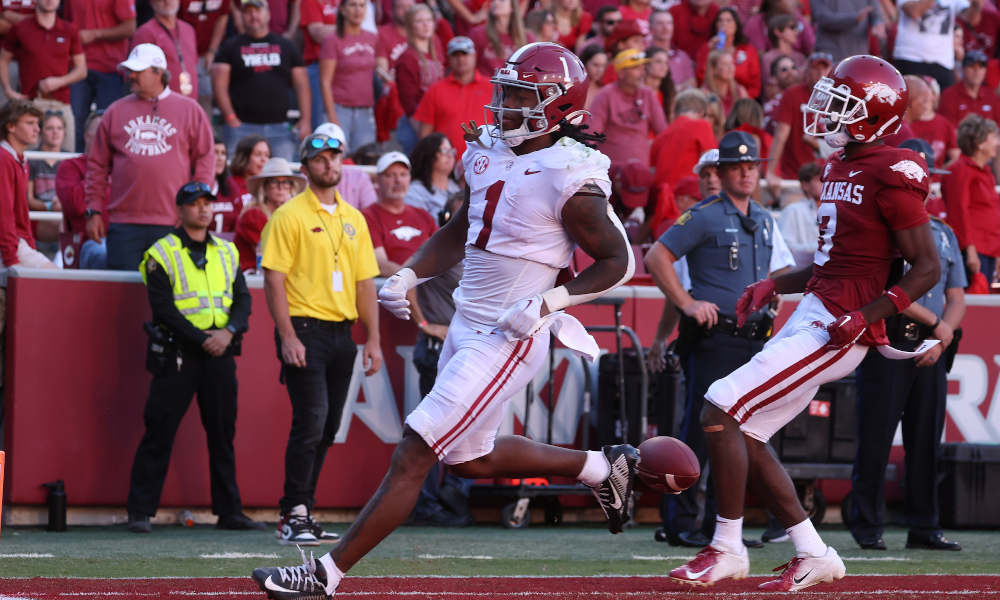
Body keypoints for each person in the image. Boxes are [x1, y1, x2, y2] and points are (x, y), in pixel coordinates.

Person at [251, 43, 639, 598]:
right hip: (465, 323)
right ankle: (602, 468)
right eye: (504, 92)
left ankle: (323, 576)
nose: (503, 105)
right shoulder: (488, 155)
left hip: (510, 335)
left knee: (415, 449)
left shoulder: (570, 175)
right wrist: (408, 275)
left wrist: (551, 303)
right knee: (468, 459)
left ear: (556, 107)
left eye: (519, 96)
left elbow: (618, 262)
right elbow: (462, 228)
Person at [667, 55, 942, 591]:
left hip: (842, 324)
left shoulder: (894, 169)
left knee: (721, 403)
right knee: (746, 428)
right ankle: (814, 552)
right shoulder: (842, 164)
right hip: (817, 307)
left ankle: (727, 546)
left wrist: (865, 317)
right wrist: (775, 283)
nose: (827, 112)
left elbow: (926, 267)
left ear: (876, 114)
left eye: (842, 103)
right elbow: (834, 262)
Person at [644, 131, 794, 550]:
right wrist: (688, 303)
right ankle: (681, 521)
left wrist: (772, 295)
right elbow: (656, 257)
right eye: (737, 167)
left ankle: (722, 522)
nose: (746, 173)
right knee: (700, 430)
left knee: (745, 434)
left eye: (751, 167)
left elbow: (775, 273)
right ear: (723, 171)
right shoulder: (704, 215)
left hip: (753, 339)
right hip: (715, 339)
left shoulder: (764, 218)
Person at [261, 131, 383, 546]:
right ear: (305, 168)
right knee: (311, 420)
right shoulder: (288, 215)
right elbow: (273, 280)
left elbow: (366, 283)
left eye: (334, 157)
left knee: (328, 425)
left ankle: (303, 511)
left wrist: (374, 340)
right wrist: (287, 335)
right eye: (320, 159)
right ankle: (292, 512)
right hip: (306, 330)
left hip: (342, 334)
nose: (329, 164)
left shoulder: (355, 218)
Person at [126, 181, 265, 535]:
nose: (203, 209)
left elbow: (243, 300)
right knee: (159, 429)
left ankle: (229, 511)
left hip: (221, 354)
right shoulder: (162, 252)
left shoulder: (227, 250)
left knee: (223, 434)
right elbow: (163, 309)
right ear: (180, 210)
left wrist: (229, 333)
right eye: (195, 203)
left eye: (208, 203)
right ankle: (140, 511)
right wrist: (206, 339)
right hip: (178, 353)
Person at [850, 137, 965, 553]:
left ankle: (924, 525)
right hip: (890, 340)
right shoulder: (886, 227)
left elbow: (957, 295)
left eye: (928, 174)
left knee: (925, 441)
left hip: (932, 345)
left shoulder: (944, 233)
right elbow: (890, 289)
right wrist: (939, 327)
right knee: (875, 438)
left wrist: (941, 334)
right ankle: (867, 525)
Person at [84, 43, 215, 271]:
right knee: (122, 297)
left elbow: (205, 162)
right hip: (123, 224)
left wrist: (191, 209)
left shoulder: (190, 110)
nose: (131, 76)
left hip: (173, 222)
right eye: (130, 70)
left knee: (169, 298)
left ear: (158, 72)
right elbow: (97, 165)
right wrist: (93, 211)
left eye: (138, 71)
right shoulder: (114, 112)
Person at [407, 192, 474, 528]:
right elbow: (407, 279)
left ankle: (453, 488)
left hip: (466, 348)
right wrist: (423, 323)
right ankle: (428, 502)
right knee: (432, 426)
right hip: (436, 347)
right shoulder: (441, 245)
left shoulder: (479, 249)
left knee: (470, 420)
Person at [214, 0, 310, 162]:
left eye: (257, 11)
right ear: (242, 16)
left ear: (268, 15)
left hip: (279, 128)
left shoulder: (286, 46)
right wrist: (230, 118)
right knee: (237, 176)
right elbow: (219, 84)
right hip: (241, 128)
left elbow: (302, 84)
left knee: (282, 177)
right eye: (248, 12)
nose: (253, 16)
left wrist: (305, 119)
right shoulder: (230, 47)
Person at [0, 0, 85, 155]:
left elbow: (82, 69)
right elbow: (3, 59)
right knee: (29, 158)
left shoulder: (70, 29)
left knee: (66, 160)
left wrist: (60, 81)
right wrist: (8, 91)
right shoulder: (21, 27)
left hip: (61, 103)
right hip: (31, 104)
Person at [65, 0, 136, 154]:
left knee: (108, 123)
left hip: (109, 67)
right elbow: (67, 23)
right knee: (75, 122)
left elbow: (130, 27)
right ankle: (76, 169)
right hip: (78, 65)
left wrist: (96, 33)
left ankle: (107, 170)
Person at [765, 51, 832, 206]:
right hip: (796, 180)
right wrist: (771, 172)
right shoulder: (793, 94)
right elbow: (780, 135)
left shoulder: (838, 97)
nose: (821, 73)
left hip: (829, 181)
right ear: (807, 71)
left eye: (825, 68)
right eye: (816, 68)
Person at [941, 113, 1000, 285]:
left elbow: (992, 213)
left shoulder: (985, 172)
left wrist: (997, 253)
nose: (998, 143)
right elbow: (958, 212)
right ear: (979, 142)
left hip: (988, 248)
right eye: (994, 137)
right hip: (972, 251)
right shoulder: (960, 170)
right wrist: (971, 250)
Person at [412, 36, 492, 157]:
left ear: (474, 56)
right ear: (448, 59)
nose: (460, 59)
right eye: (455, 55)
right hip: (445, 163)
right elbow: (425, 136)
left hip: (485, 160)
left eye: (464, 54)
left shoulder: (492, 87)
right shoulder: (435, 90)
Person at [589, 48, 668, 171]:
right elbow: (590, 135)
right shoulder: (606, 95)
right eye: (636, 68)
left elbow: (663, 134)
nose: (642, 73)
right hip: (610, 173)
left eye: (642, 68)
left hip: (640, 173)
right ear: (621, 73)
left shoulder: (648, 94)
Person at [0, 99, 57, 269]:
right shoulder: (4, 158)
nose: (37, 129)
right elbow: (4, 212)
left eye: (38, 124)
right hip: (10, 248)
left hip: (17, 244)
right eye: (30, 123)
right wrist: (11, 258)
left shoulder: (19, 160)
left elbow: (21, 211)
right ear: (10, 126)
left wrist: (30, 245)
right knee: (59, 282)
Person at [363, 151, 437, 276]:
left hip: (429, 284)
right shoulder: (368, 216)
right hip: (398, 288)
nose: (398, 180)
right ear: (377, 180)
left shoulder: (422, 214)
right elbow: (381, 265)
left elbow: (442, 249)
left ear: (410, 179)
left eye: (403, 174)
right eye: (390, 175)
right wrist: (410, 282)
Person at [318, 0, 378, 153]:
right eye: (352, 5)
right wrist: (333, 119)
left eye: (362, 5)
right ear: (343, 10)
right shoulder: (332, 40)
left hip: (366, 111)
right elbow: (325, 81)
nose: (357, 10)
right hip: (339, 109)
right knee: (337, 157)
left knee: (364, 161)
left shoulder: (373, 38)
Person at [234, 157, 307, 271]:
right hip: (253, 278)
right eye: (274, 182)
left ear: (291, 187)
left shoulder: (293, 214)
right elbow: (271, 255)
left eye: (286, 182)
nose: (281, 187)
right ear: (264, 187)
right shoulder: (254, 215)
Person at [56, 111, 109, 269]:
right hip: (89, 243)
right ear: (87, 136)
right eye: (101, 133)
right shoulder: (70, 166)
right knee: (103, 254)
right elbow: (77, 206)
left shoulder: (123, 167)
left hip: (125, 240)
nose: (107, 139)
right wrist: (99, 167)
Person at [395, 4, 446, 154]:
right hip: (416, 125)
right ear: (410, 27)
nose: (426, 25)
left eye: (429, 20)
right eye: (419, 21)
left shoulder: (437, 53)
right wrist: (423, 133)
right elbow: (408, 101)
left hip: (436, 121)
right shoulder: (407, 58)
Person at [651, 88, 717, 192]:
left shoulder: (659, 138)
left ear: (677, 113)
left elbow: (653, 175)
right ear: (702, 113)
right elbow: (710, 166)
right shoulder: (702, 126)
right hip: (692, 198)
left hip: (663, 201)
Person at [132, 0, 200, 98]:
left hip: (189, 100)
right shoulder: (144, 33)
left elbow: (193, 63)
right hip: (160, 103)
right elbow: (139, 76)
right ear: (152, 3)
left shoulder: (188, 29)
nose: (167, 1)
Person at [893, 0, 966, 91]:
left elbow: (971, 18)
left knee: (941, 104)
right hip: (910, 57)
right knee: (911, 100)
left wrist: (977, 4)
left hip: (943, 62)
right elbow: (915, 11)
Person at [695, 8, 760, 100]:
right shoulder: (707, 47)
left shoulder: (748, 50)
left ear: (736, 24)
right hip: (714, 99)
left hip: (742, 101)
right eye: (720, 20)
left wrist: (743, 100)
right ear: (715, 25)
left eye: (729, 20)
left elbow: (755, 86)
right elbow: (701, 77)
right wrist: (710, 51)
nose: (724, 24)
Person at [179, 0, 230, 114]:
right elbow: (172, 20)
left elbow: (223, 15)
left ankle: (207, 129)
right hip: (182, 51)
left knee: (206, 93)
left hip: (207, 51)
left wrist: (212, 50)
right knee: (183, 95)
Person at [26, 111, 66, 251]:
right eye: (50, 128)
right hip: (40, 216)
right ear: (41, 133)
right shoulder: (31, 159)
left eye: (59, 128)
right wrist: (49, 207)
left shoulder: (71, 159)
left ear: (64, 133)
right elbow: (28, 199)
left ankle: (62, 263)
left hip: (64, 213)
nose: (55, 132)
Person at [905, 75, 960, 174]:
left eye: (927, 87)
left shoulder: (945, 124)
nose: (923, 89)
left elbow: (957, 158)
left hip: (935, 182)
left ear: (935, 95)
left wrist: (941, 172)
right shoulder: (907, 123)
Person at [300, 0, 338, 131]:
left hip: (342, 67)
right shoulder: (310, 1)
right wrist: (347, 28)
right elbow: (318, 34)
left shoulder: (338, 1)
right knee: (321, 125)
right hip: (318, 65)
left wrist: (333, 29)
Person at [468, 0, 533, 77]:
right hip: (486, 86)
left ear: (512, 7)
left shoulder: (527, 37)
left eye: (502, 0)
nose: (496, 2)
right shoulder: (478, 34)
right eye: (493, 0)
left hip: (514, 87)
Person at [938, 51, 1000, 128]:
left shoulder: (992, 97)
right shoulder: (949, 95)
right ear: (962, 69)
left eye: (981, 67)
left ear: (985, 71)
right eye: (972, 66)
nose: (977, 71)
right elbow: (949, 130)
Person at [777, 162, 822, 268]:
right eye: (818, 180)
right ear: (805, 185)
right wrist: (818, 249)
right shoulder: (792, 211)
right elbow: (785, 248)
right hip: (801, 274)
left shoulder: (835, 210)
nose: (824, 183)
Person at [405, 132, 460, 215]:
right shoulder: (415, 191)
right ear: (428, 154)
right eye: (444, 151)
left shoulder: (456, 188)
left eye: (451, 151)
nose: (450, 155)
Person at [812, 0, 885, 61]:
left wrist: (877, 24)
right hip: (831, 56)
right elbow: (822, 17)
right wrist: (853, 19)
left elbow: (875, 15)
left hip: (859, 56)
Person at [226, 134, 272, 230]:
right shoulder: (230, 186)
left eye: (267, 155)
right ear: (244, 157)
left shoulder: (271, 188)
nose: (263, 159)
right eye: (258, 154)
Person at [648, 10, 696, 92]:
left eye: (669, 23)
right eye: (660, 23)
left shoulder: (682, 56)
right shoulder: (644, 53)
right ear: (650, 27)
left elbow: (692, 83)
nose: (665, 27)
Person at [744, 0, 814, 56]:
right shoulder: (756, 22)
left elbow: (811, 48)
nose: (794, 1)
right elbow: (758, 55)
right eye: (792, 27)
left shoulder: (798, 18)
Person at [760, 16, 804, 102]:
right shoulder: (768, 58)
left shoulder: (800, 57)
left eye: (796, 28)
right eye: (792, 28)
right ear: (778, 31)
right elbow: (770, 90)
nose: (796, 31)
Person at [701, 50, 748, 117]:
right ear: (714, 69)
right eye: (725, 64)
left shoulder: (740, 91)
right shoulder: (706, 94)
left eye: (732, 63)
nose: (730, 68)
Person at [762, 55, 798, 133]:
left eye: (793, 68)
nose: (790, 72)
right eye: (784, 69)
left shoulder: (809, 99)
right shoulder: (771, 107)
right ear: (774, 77)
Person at [645, 47, 676, 122]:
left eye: (666, 63)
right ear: (646, 64)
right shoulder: (637, 90)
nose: (663, 66)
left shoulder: (668, 94)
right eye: (658, 61)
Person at [580, 45, 608, 110]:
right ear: (585, 62)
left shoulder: (604, 89)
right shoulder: (574, 88)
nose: (600, 70)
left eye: (603, 66)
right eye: (596, 65)